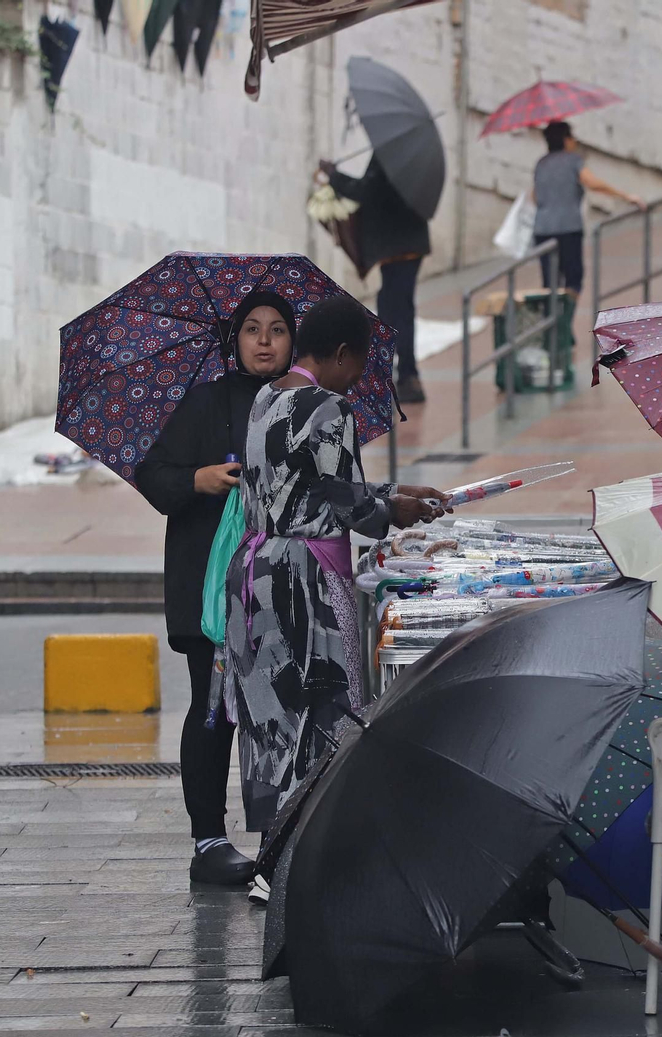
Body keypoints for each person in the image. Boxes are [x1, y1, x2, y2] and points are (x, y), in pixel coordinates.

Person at [220, 295, 445, 905]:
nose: (359, 382)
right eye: (360, 367)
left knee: (273, 715)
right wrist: (393, 508)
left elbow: (309, 485)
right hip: (304, 577)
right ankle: (301, 860)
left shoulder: (268, 399)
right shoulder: (328, 406)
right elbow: (350, 505)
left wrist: (393, 491)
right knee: (322, 703)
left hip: (258, 569)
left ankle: (272, 852)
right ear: (343, 355)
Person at [134, 290, 298, 887]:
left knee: (280, 710)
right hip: (211, 589)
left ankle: (283, 831)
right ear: (235, 340)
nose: (263, 341)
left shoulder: (304, 405)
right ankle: (208, 839)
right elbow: (153, 475)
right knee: (213, 708)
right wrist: (199, 479)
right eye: (252, 329)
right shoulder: (203, 403)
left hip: (282, 586)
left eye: (277, 330)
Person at [320, 157, 430, 405]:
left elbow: (366, 191)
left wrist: (334, 175)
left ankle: (403, 378)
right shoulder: (413, 158)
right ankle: (399, 377)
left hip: (398, 245)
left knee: (395, 311)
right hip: (407, 244)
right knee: (397, 308)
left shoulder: (389, 155)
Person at [531, 120, 644, 294]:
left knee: (550, 283)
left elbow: (535, 197)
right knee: (573, 279)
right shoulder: (574, 161)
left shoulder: (541, 164)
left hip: (543, 230)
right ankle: (565, 319)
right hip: (568, 229)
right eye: (572, 137)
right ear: (565, 140)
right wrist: (625, 196)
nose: (575, 141)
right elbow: (593, 183)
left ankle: (553, 318)